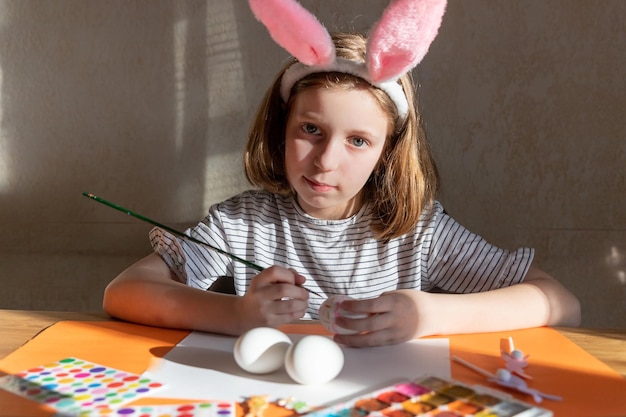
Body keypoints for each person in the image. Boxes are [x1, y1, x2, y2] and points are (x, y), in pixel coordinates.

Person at [103, 0, 580, 348]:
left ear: (386, 153)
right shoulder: (242, 224)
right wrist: (237, 314)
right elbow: (123, 293)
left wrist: (426, 314)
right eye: (311, 130)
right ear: (281, 127)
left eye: (358, 141)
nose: (326, 160)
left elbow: (559, 301)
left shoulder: (419, 233)